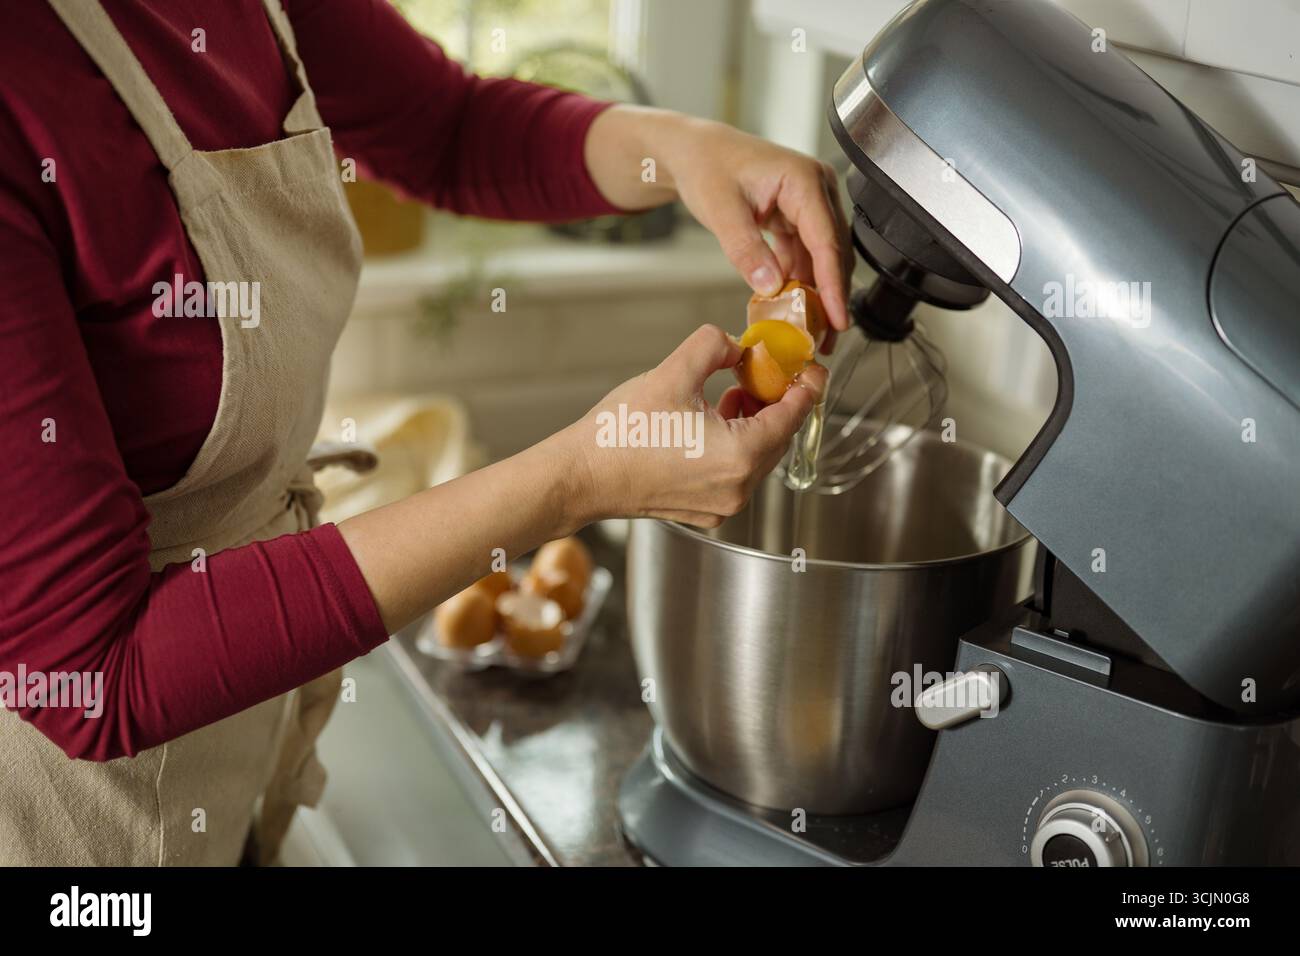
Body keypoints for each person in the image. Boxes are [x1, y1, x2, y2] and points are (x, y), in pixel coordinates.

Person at [0, 0, 847, 864]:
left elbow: (447, 130)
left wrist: (681, 149)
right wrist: (578, 480)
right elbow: (96, 671)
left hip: (235, 765)